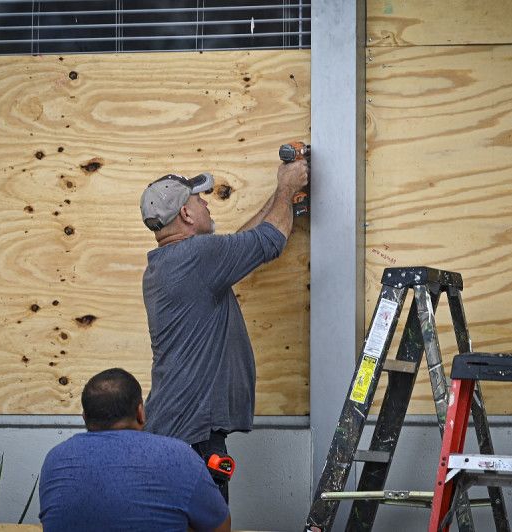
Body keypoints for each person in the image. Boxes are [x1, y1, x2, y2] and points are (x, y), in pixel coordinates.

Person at [140, 159, 309, 501]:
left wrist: (281, 198)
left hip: (176, 428)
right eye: (199, 200)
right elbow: (268, 241)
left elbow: (243, 243)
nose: (205, 203)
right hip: (193, 436)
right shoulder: (199, 256)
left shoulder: (170, 262)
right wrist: (288, 186)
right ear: (186, 215)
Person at [38, 368, 230, 532]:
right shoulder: (178, 455)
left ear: (85, 417)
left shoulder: (55, 459)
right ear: (140, 412)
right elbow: (221, 528)